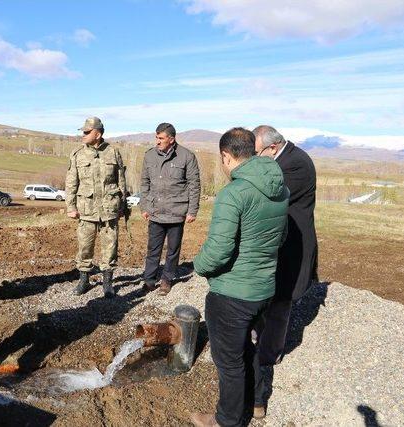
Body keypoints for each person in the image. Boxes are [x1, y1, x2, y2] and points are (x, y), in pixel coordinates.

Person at [190, 128, 289, 427]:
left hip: (231, 294)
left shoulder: (234, 193)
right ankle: (257, 403)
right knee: (252, 349)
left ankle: (227, 420)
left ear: (227, 156)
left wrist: (199, 265)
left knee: (229, 361)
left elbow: (219, 251)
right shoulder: (280, 189)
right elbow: (281, 237)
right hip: (264, 289)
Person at [252, 125, 318, 418]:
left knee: (282, 299)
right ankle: (262, 337)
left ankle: (270, 353)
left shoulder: (297, 164)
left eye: (258, 154)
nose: (257, 159)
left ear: (273, 147)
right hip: (280, 239)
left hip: (294, 242)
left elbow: (274, 196)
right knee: (271, 293)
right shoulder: (281, 159)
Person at [65, 116, 126, 298]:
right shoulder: (77, 155)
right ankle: (84, 280)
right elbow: (71, 183)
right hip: (87, 209)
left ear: (98, 134)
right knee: (85, 247)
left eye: (86, 132)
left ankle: (107, 283)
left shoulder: (113, 152)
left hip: (109, 209)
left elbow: (121, 181)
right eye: (83, 132)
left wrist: (122, 207)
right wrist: (70, 206)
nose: (83, 135)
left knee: (110, 247)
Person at [140, 122, 201, 295]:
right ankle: (149, 280)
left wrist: (192, 211)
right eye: (156, 137)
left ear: (172, 139)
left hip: (177, 212)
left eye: (161, 138)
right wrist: (144, 206)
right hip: (155, 211)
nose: (157, 141)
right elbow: (144, 183)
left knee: (173, 249)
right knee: (153, 249)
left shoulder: (186, 156)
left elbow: (194, 185)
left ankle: (167, 280)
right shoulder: (149, 156)